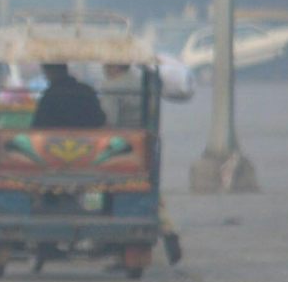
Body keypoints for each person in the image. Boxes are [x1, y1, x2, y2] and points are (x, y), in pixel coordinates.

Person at [98, 63, 183, 265]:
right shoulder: (141, 84)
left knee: (112, 195)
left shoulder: (112, 87)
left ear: (113, 66)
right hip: (144, 147)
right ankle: (168, 229)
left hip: (119, 149)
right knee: (148, 192)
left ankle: (116, 248)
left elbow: (109, 121)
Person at [30, 62, 106, 129]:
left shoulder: (50, 95)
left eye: (46, 73)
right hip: (89, 141)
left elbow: (39, 124)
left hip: (55, 142)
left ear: (50, 72)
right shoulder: (86, 90)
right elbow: (99, 119)